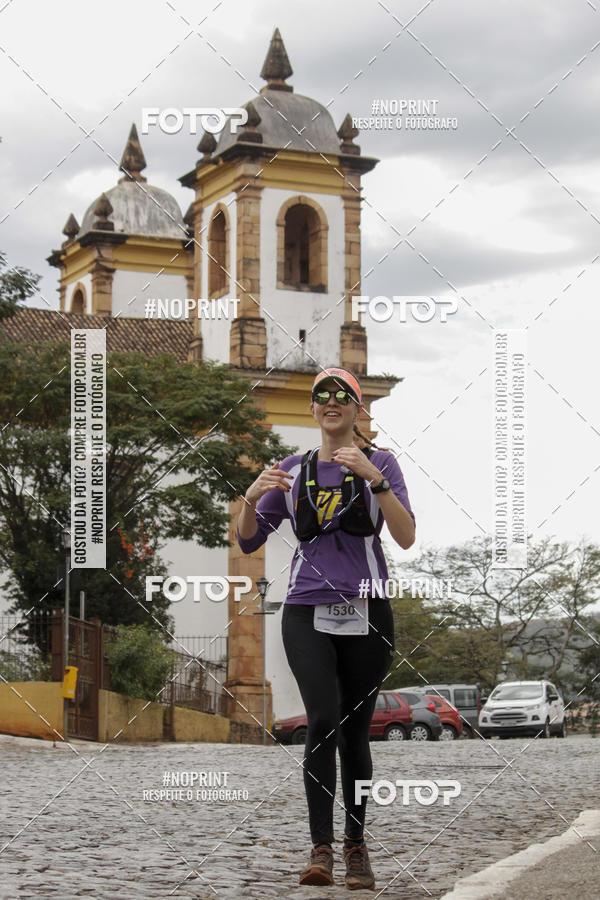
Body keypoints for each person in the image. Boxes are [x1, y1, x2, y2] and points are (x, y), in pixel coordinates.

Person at [236, 367, 415, 891]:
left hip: (367, 608)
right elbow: (247, 540)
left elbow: (405, 535)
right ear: (313, 409)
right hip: (305, 609)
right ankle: (321, 850)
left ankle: (356, 847)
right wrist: (249, 496)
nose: (330, 402)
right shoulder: (293, 469)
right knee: (321, 720)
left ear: (358, 408)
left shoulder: (382, 463)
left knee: (355, 731)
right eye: (321, 396)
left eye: (342, 395)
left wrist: (375, 479)